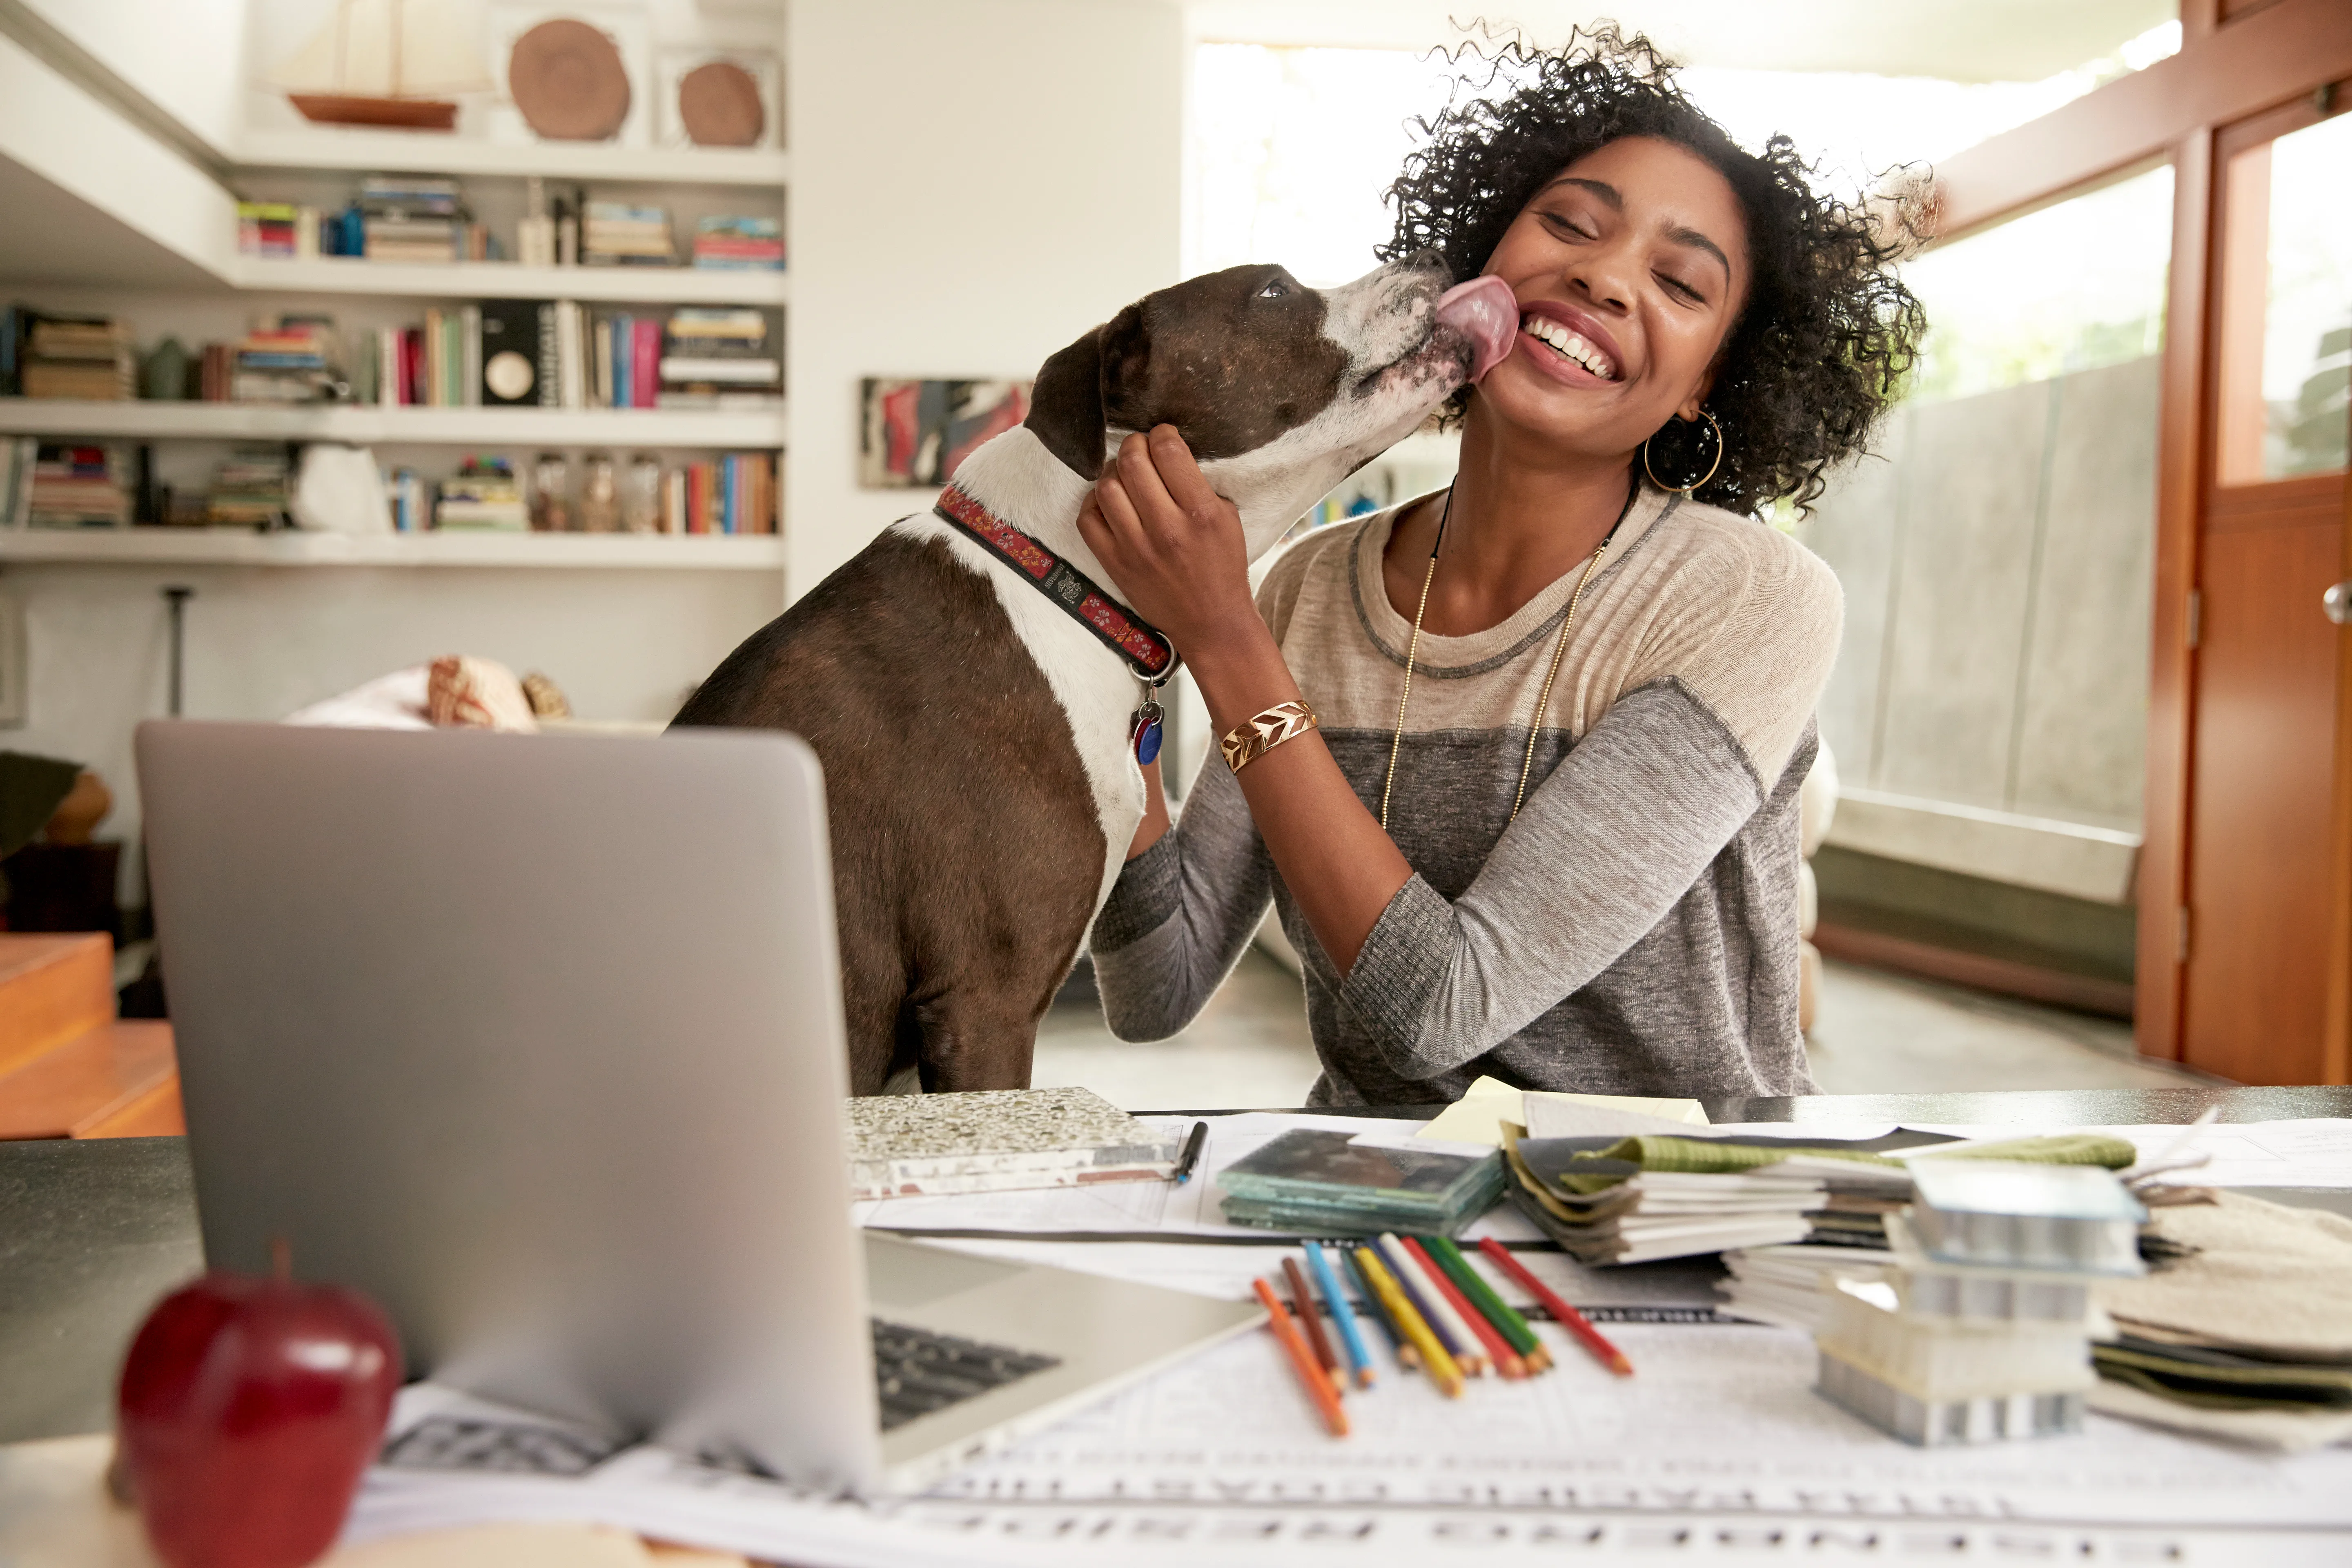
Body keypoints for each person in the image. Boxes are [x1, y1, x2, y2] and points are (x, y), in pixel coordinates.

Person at [1077, 30, 1925, 1107]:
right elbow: (1156, 989)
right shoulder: (1310, 589)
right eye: (1570, 224)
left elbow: (1443, 1008)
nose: (1603, 275)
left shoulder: (1748, 599)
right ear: (1485, 267)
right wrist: (1125, 652)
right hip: (1375, 1205)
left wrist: (1224, 639)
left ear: (1711, 384)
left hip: (1661, 1219)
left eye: (1677, 281)